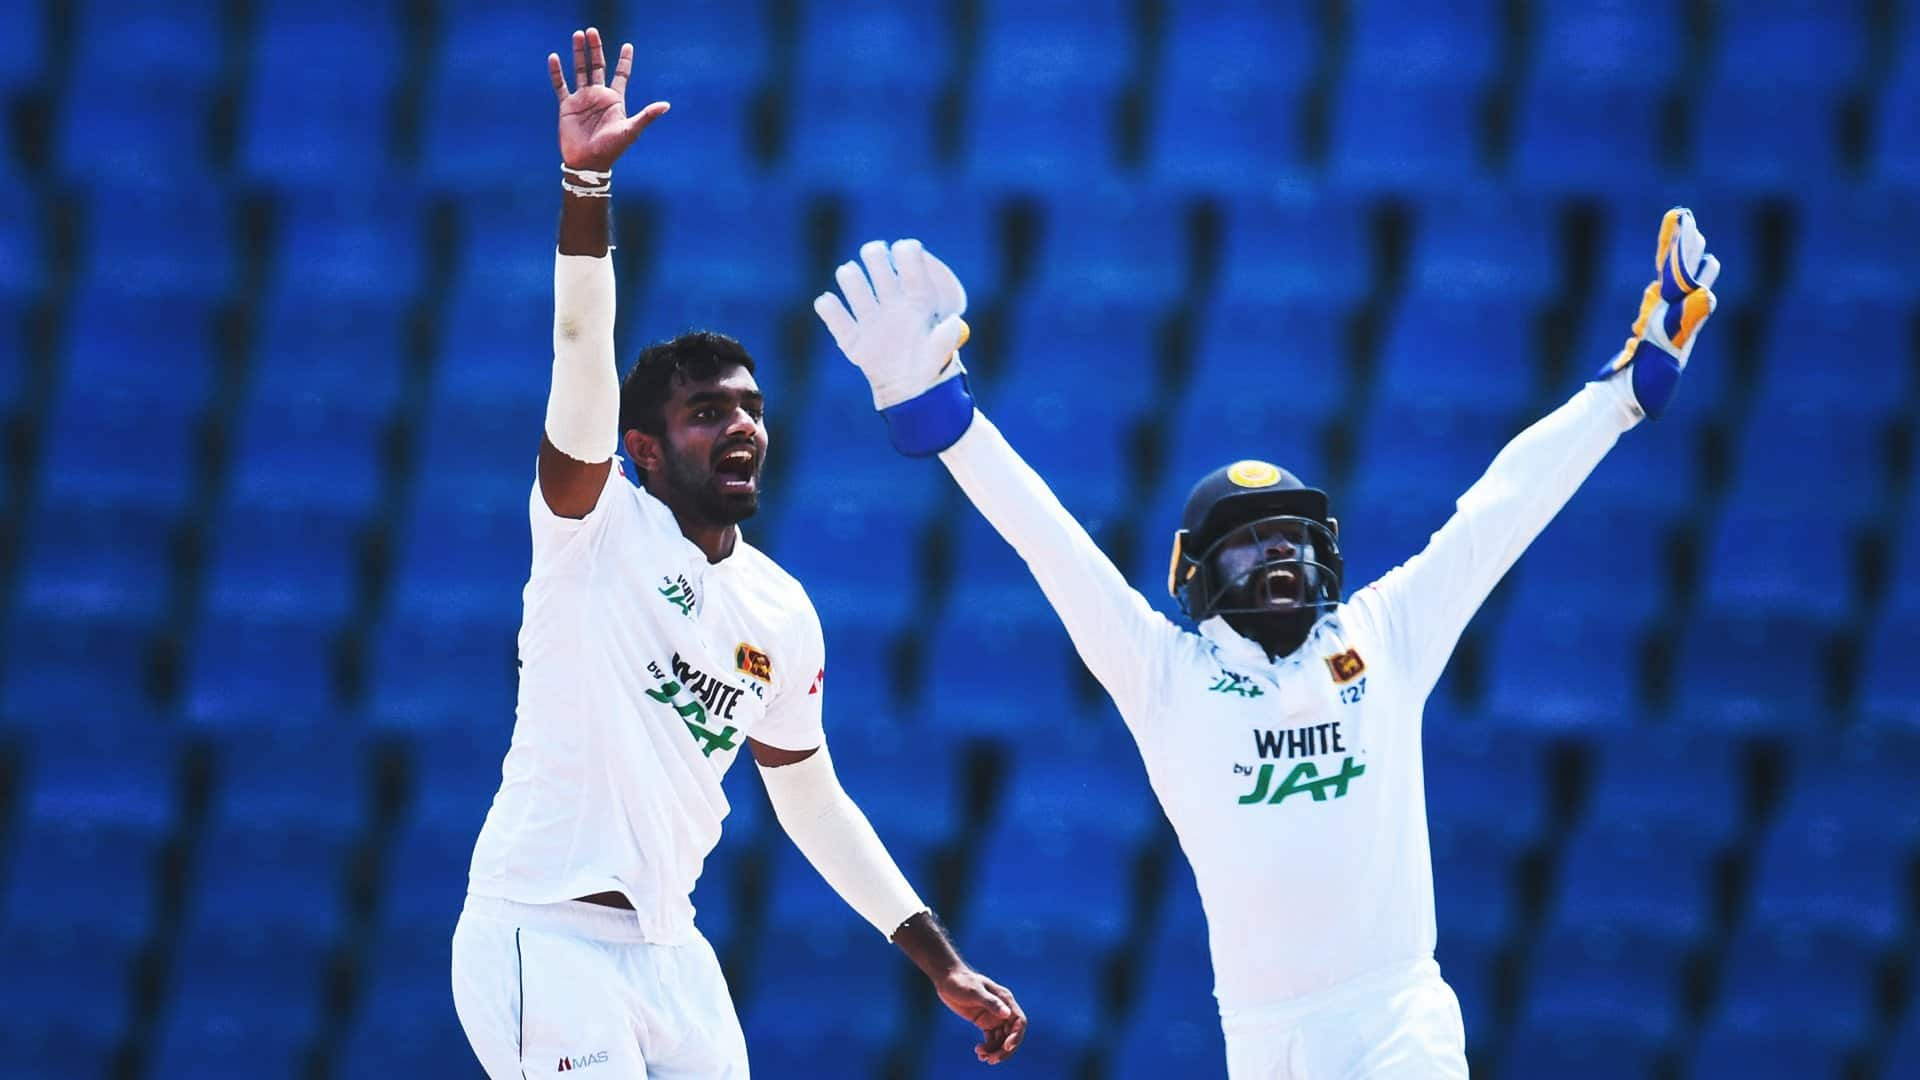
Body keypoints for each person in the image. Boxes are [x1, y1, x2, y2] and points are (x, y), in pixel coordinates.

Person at [812, 209, 1720, 1077]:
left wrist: (1625, 395)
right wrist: (943, 418)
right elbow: (1051, 545)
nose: (1276, 555)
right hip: (1261, 1039)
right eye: (1248, 541)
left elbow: (1501, 510)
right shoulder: (1163, 675)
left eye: (1291, 538)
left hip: (1397, 1016)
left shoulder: (1385, 632)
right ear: (1195, 572)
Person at [449, 28, 1026, 1078]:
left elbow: (810, 798)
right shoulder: (591, 525)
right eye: (707, 411)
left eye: (753, 408)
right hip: (542, 931)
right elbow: (581, 353)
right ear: (642, 448)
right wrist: (586, 186)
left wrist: (937, 959)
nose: (743, 426)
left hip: (671, 955)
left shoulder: (779, 609)